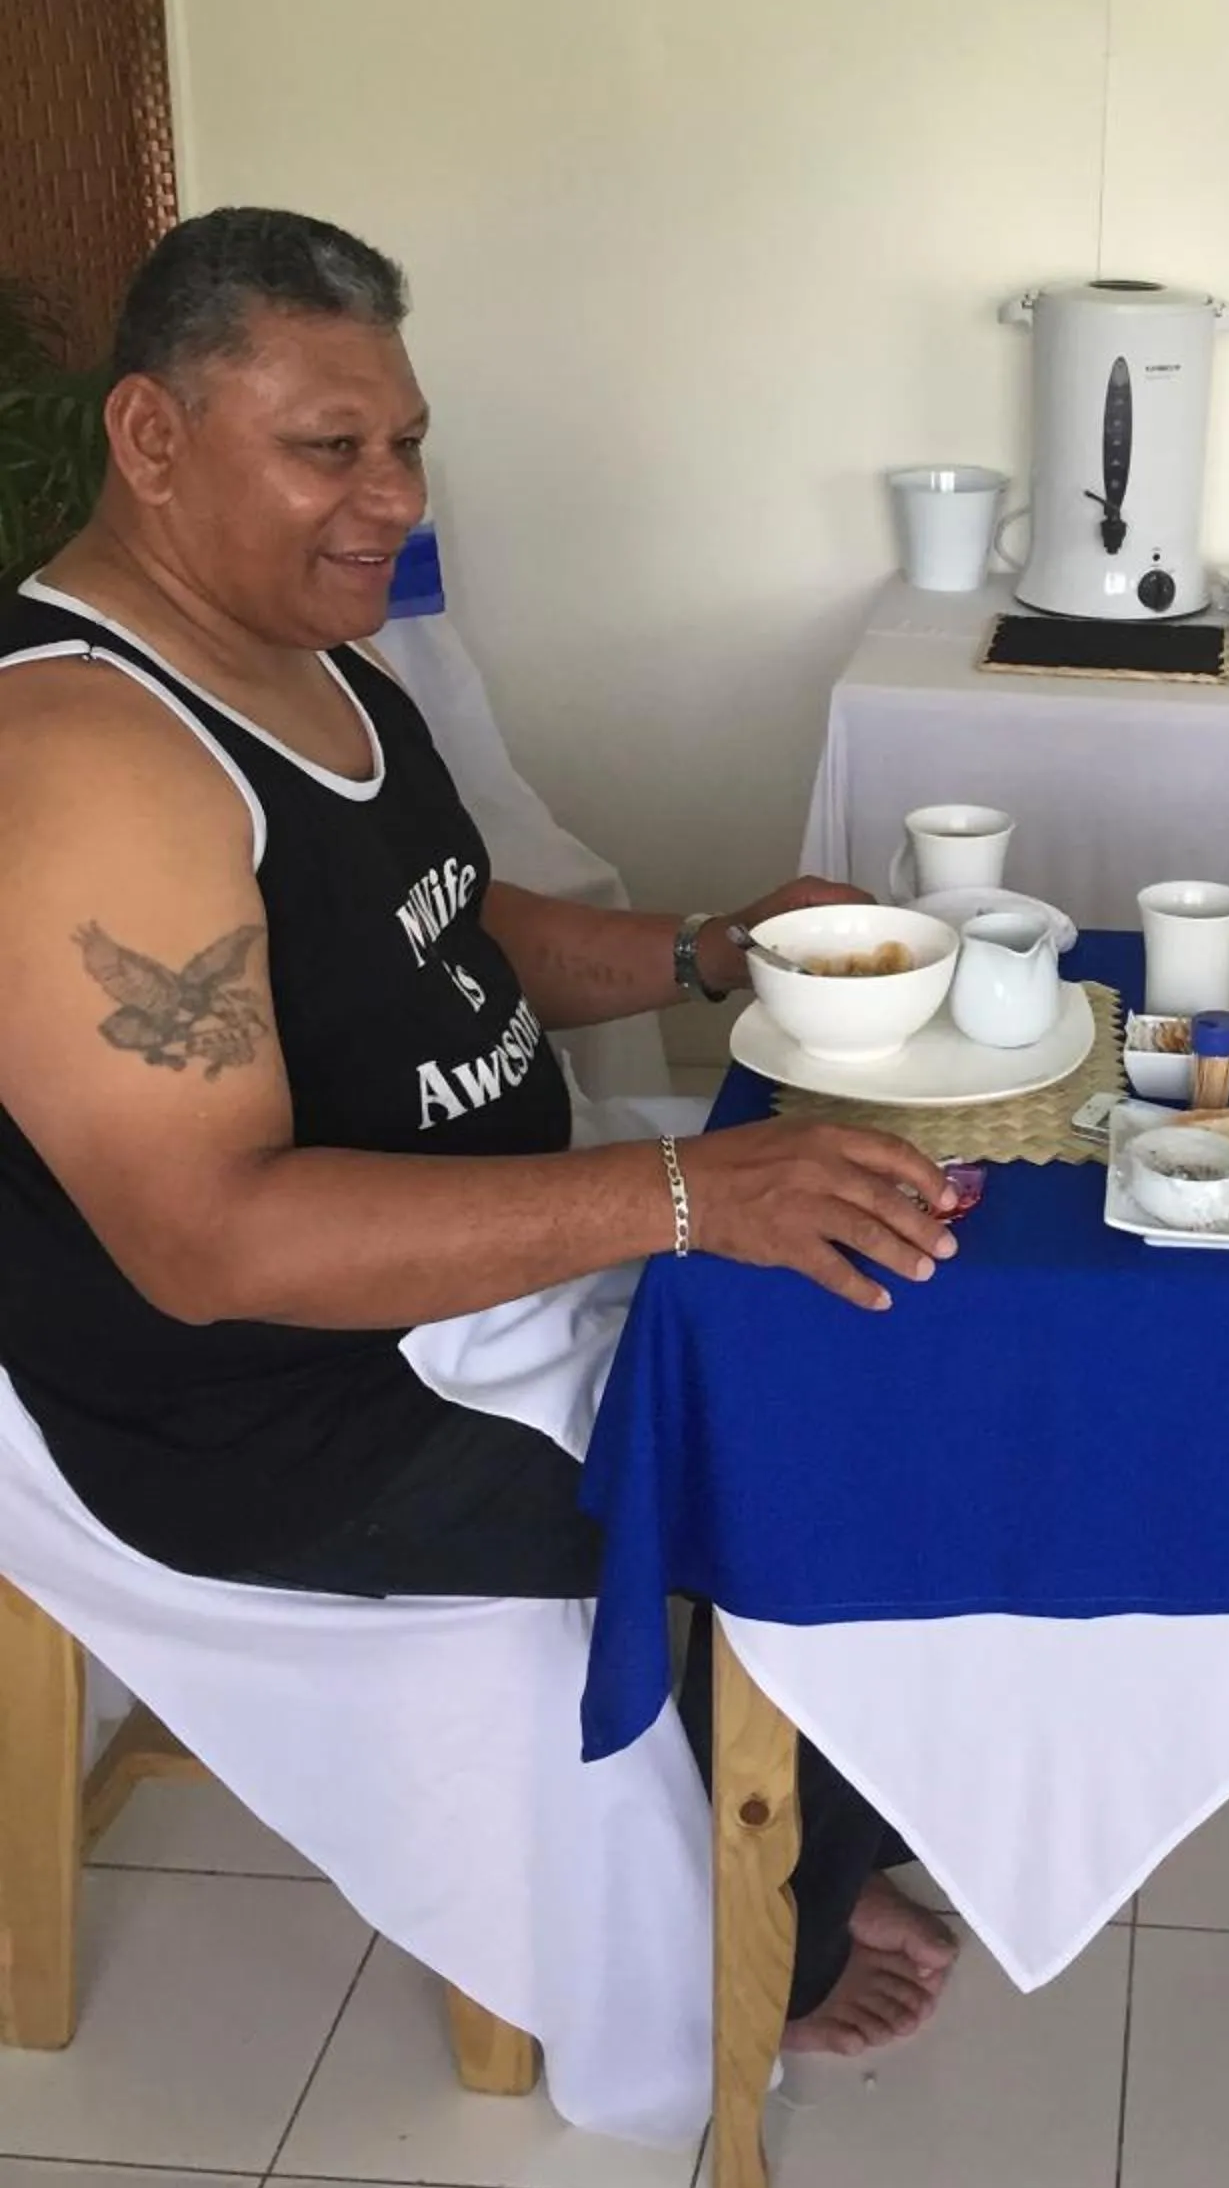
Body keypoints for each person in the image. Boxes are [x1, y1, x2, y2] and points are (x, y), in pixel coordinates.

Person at [0, 207, 959, 2056]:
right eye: (328, 451)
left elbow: (455, 918)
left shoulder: (311, 658)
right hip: (276, 1412)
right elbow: (213, 1243)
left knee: (898, 1329)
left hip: (491, 1271)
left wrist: (705, 950)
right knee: (792, 1468)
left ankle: (797, 1817)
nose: (392, 500)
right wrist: (684, 1194)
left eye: (405, 443)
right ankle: (749, 1914)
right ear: (150, 439)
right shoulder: (85, 760)